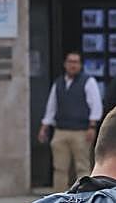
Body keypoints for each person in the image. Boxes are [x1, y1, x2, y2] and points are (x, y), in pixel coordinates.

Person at [38, 52, 102, 191]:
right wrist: (45, 126)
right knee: (59, 168)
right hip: (61, 130)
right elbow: (52, 106)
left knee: (82, 168)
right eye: (70, 62)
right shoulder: (59, 83)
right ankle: (59, 198)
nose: (73, 65)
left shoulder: (88, 81)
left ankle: (84, 198)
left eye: (76, 62)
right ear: (65, 64)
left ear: (80, 65)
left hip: (81, 131)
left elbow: (96, 105)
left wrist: (92, 126)